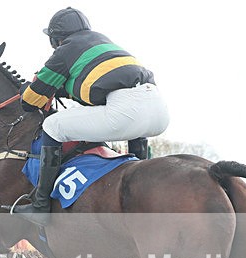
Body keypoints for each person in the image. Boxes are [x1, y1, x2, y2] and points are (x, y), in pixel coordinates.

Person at [16, 7, 170, 223]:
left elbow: (30, 102)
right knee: (135, 125)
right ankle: (139, 173)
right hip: (159, 111)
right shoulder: (104, 43)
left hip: (125, 111)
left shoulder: (65, 50)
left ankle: (40, 206)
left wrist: (27, 89)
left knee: (52, 125)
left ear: (55, 39)